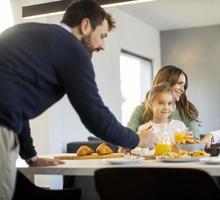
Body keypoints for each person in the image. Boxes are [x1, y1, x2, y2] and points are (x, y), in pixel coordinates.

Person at [0, 1, 154, 199]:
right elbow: (96, 117)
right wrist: (139, 140)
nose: (103, 45)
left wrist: (31, 157)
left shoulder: (21, 31)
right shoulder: (74, 50)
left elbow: (16, 105)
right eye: (102, 36)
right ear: (85, 25)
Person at [127, 65, 200, 138]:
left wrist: (211, 135)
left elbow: (196, 143)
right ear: (165, 83)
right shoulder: (141, 110)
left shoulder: (187, 111)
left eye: (184, 85)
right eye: (179, 83)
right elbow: (125, 142)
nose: (183, 89)